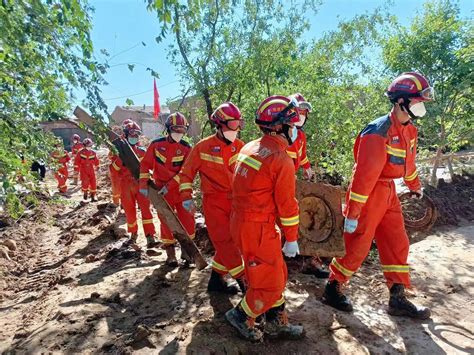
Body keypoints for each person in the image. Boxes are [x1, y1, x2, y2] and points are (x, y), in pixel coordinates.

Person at [323, 72, 434, 319]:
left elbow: (409, 164)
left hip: (388, 192)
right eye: (418, 100)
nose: (421, 106)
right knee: (358, 243)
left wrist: (415, 186)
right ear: (401, 101)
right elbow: (364, 176)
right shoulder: (378, 131)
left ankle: (397, 297)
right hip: (369, 192)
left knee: (397, 241)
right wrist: (353, 212)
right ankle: (333, 287)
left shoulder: (410, 131)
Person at [225, 95, 304, 341]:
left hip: (241, 222)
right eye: (292, 125)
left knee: (274, 272)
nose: (295, 130)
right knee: (268, 282)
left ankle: (276, 321)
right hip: (258, 228)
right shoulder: (280, 160)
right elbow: (287, 206)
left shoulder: (249, 147)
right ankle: (241, 315)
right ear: (280, 126)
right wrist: (291, 238)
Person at [176, 102, 246, 293]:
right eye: (233, 124)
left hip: (237, 203)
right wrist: (186, 197)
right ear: (220, 125)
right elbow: (186, 174)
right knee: (225, 242)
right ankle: (244, 282)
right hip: (214, 204)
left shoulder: (241, 147)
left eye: (239, 123)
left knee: (235, 242)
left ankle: (216, 280)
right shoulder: (202, 147)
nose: (237, 129)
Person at [139, 112, 195, 266]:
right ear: (169, 128)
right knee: (166, 221)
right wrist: (144, 185)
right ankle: (170, 254)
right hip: (160, 190)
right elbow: (145, 165)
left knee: (188, 221)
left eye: (182, 130)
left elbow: (185, 172)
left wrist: (170, 186)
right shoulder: (156, 145)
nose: (179, 133)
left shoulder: (186, 148)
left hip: (180, 190)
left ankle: (187, 253)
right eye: (176, 129)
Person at [287, 93, 329, 279]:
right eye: (299, 111)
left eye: (305, 112)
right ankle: (285, 260)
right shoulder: (280, 132)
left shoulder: (301, 136)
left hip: (293, 183)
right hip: (277, 184)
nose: (302, 115)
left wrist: (307, 167)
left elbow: (301, 155)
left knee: (304, 218)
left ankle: (308, 259)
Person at [110, 120, 158, 248]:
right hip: (125, 185)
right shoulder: (117, 151)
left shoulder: (142, 151)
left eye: (136, 134)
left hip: (141, 184)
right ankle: (133, 235)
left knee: (146, 210)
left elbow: (150, 167)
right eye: (131, 134)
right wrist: (121, 160)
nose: (134, 137)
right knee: (130, 212)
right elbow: (113, 170)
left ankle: (150, 236)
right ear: (125, 135)